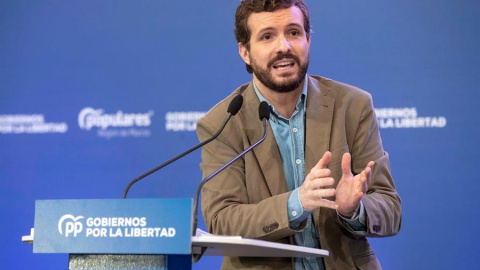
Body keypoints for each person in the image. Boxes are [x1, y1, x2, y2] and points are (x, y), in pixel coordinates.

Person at [196, 0, 401, 269]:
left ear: (308, 39)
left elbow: (390, 208)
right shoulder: (222, 124)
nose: (284, 47)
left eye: (294, 32)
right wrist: (297, 202)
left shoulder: (353, 106)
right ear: (245, 52)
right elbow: (223, 220)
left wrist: (354, 209)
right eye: (267, 36)